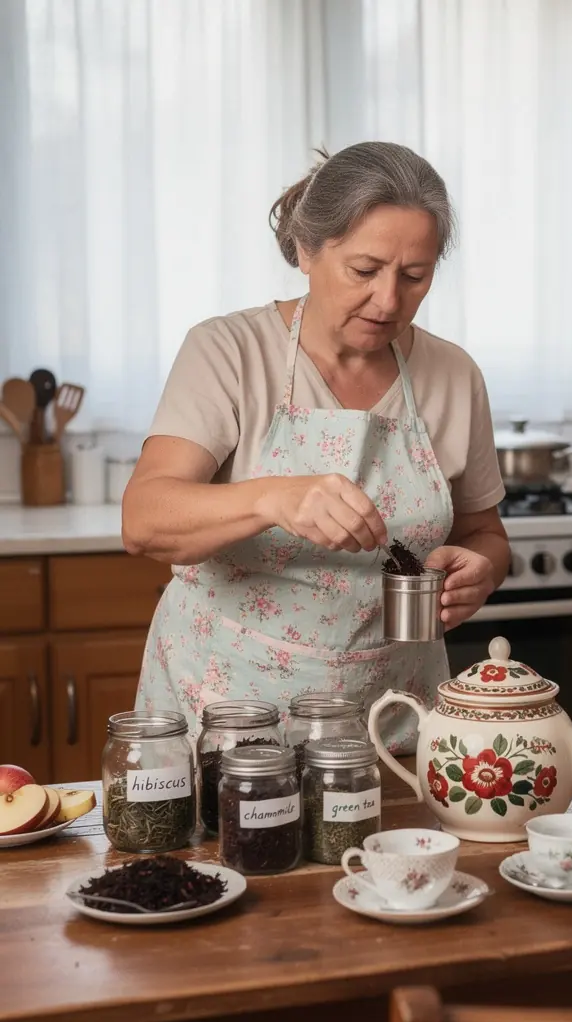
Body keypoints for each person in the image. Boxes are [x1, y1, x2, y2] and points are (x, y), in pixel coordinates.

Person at [124, 142, 510, 752]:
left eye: (415, 276)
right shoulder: (229, 352)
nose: (388, 301)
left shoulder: (454, 375)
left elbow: (485, 531)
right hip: (228, 716)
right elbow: (145, 520)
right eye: (364, 270)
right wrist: (273, 498)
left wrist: (483, 571)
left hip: (393, 720)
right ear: (306, 250)